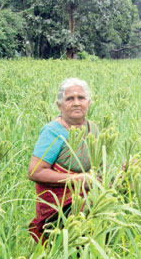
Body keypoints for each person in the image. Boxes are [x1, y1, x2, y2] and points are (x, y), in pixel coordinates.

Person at [28, 78, 98, 243]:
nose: (76, 103)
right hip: (59, 208)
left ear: (88, 102)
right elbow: (35, 171)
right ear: (59, 105)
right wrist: (77, 180)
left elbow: (99, 165)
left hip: (88, 198)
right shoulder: (53, 132)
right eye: (69, 99)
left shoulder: (93, 129)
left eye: (81, 98)